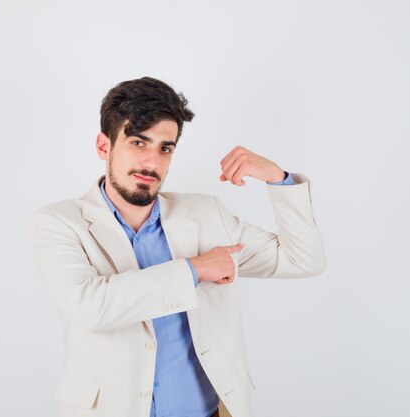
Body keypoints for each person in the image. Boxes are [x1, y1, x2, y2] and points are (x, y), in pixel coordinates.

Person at [28, 76, 326, 417]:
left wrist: (277, 178)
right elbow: (92, 308)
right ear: (103, 146)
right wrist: (195, 269)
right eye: (138, 143)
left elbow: (304, 260)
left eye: (165, 148)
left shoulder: (206, 214)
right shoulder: (58, 222)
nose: (152, 162)